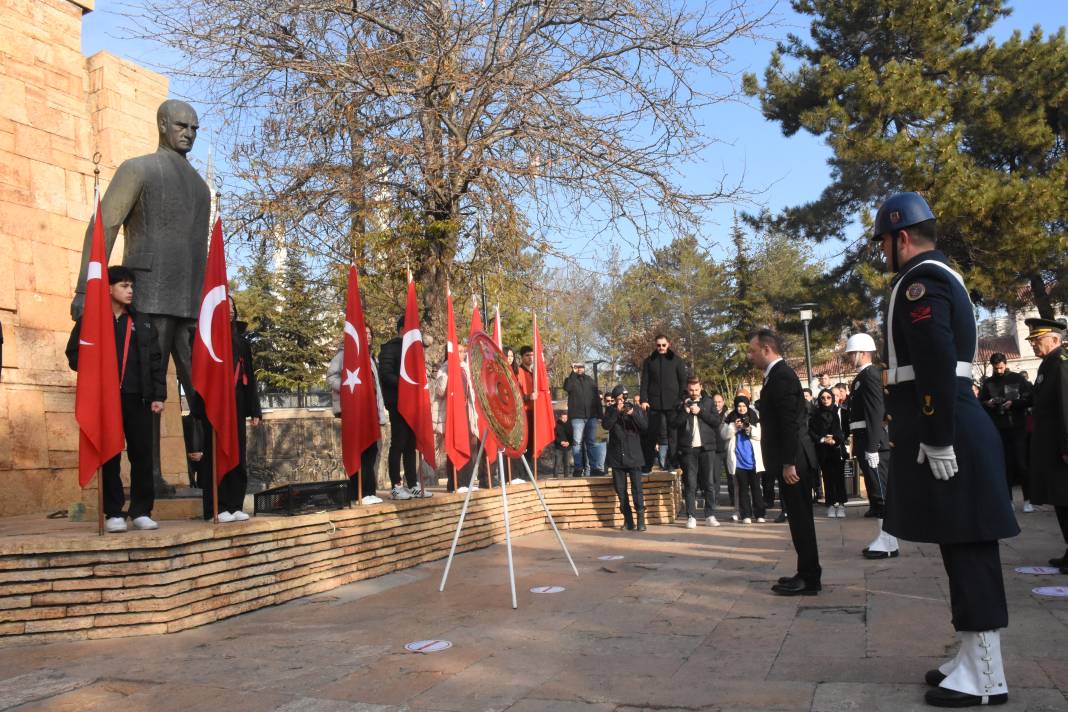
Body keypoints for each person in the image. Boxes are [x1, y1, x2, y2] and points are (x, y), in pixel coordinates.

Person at [874, 192, 1017, 708]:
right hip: (953, 424)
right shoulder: (941, 275)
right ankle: (972, 657)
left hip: (950, 430)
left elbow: (934, 356)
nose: (882, 254)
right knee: (959, 545)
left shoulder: (920, 282)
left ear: (901, 238)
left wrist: (936, 435)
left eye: (883, 244)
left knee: (970, 548)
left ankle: (986, 678)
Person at [71, 101, 211, 493]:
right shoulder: (138, 169)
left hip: (191, 302)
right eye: (182, 125)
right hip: (147, 296)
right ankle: (148, 479)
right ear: (162, 125)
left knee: (203, 389)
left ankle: (217, 475)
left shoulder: (202, 188)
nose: (189, 133)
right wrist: (86, 287)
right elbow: (105, 226)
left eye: (195, 128)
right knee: (147, 392)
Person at [65, 266, 166, 533]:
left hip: (139, 397)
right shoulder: (92, 320)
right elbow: (74, 355)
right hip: (107, 399)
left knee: (142, 455)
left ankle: (142, 510)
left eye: (132, 286)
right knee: (109, 455)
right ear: (108, 288)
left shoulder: (143, 322)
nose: (130, 290)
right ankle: (113, 512)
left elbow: (156, 361)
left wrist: (158, 395)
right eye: (124, 286)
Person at [747, 328, 821, 596]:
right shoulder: (774, 377)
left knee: (801, 520)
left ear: (767, 349)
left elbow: (790, 423)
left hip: (795, 462)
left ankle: (810, 578)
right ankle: (805, 572)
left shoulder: (782, 377)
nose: (750, 356)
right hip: (789, 460)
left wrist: (788, 462)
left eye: (753, 351)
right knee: (797, 520)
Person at [190, 296, 263, 521]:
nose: (230, 310)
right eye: (225, 307)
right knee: (215, 455)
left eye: (232, 307)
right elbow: (199, 376)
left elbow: (248, 376)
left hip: (237, 406)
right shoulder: (206, 340)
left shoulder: (241, 342)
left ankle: (234, 504)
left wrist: (255, 410)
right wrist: (201, 409)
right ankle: (215, 507)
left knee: (238, 455)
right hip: (215, 407)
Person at [844, 333, 897, 559]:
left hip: (871, 441)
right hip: (865, 439)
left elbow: (876, 412)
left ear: (862, 353)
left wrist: (873, 446)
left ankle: (889, 540)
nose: (849, 358)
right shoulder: (862, 377)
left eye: (851, 354)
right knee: (876, 493)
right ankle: (885, 537)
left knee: (881, 493)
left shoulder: (870, 375)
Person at [1023, 318, 1068, 572]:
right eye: (1032, 341)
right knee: (1061, 500)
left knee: (1065, 498)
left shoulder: (1060, 365)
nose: (1033, 345)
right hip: (1050, 446)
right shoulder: (1047, 365)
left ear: (1054, 339)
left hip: (1060, 448)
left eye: (1037, 340)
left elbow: (1065, 408)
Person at [328, 325, 387, 504]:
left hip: (370, 412)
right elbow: (331, 378)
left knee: (371, 449)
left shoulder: (370, 357)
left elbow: (375, 387)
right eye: (365, 333)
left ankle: (369, 491)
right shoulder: (343, 354)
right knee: (359, 450)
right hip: (354, 410)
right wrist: (349, 390)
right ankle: (359, 493)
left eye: (370, 333)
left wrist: (380, 413)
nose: (368, 336)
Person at [378, 315, 430, 500]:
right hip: (397, 403)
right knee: (398, 443)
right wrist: (406, 385)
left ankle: (413, 483)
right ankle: (395, 485)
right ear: (402, 330)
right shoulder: (389, 348)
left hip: (413, 405)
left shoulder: (415, 351)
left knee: (410, 445)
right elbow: (385, 374)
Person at [979, 353, 1034, 511]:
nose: (1000, 371)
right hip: (999, 428)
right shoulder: (988, 383)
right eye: (996, 368)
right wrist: (988, 403)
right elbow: (980, 403)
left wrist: (1014, 403)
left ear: (1005, 363)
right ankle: (1008, 499)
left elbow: (1030, 399)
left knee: (1021, 463)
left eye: (1001, 367)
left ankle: (1028, 500)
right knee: (1005, 465)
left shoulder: (1017, 379)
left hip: (1018, 427)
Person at [675, 377, 723, 528]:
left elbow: (716, 421)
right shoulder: (680, 403)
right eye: (691, 390)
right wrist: (685, 411)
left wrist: (700, 412)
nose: (694, 393)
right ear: (687, 389)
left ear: (700, 387)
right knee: (690, 483)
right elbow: (674, 424)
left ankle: (710, 515)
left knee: (708, 483)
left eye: (696, 390)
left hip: (707, 448)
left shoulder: (708, 402)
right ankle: (691, 516)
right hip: (689, 449)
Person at [639, 334, 689, 470]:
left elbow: (683, 382)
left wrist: (681, 399)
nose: (661, 347)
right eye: (658, 345)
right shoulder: (649, 361)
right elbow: (644, 382)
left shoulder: (677, 361)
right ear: (655, 345)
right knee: (652, 434)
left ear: (669, 344)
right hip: (654, 404)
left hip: (673, 404)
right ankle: (647, 464)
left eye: (663, 345)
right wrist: (643, 400)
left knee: (673, 435)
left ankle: (673, 463)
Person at [602, 385, 648, 531]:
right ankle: (628, 520)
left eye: (624, 398)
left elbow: (644, 426)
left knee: (637, 489)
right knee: (621, 491)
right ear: (615, 399)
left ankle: (641, 519)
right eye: (619, 399)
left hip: (634, 455)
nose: (622, 401)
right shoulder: (611, 410)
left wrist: (632, 413)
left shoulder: (636, 408)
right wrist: (616, 411)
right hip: (617, 457)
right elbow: (606, 426)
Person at [721, 395, 765, 524]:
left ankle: (760, 514)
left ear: (747, 406)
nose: (741, 408)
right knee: (743, 489)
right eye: (739, 406)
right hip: (738, 460)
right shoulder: (730, 418)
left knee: (756, 488)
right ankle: (746, 514)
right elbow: (723, 435)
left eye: (744, 406)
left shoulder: (754, 416)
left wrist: (748, 428)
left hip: (753, 460)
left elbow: (759, 436)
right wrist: (734, 427)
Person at [810, 388, 846, 518]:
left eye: (828, 397)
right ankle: (830, 504)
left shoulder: (840, 411)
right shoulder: (815, 414)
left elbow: (845, 430)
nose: (825, 400)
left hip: (838, 449)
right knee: (828, 478)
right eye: (823, 398)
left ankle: (841, 505)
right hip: (823, 450)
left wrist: (835, 439)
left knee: (839, 478)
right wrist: (823, 439)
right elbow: (812, 431)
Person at [562, 362, 601, 476]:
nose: (579, 369)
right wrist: (572, 373)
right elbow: (567, 388)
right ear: (574, 368)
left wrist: (600, 415)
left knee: (592, 442)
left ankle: (594, 468)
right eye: (577, 367)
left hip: (591, 416)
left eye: (581, 367)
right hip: (577, 417)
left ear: (584, 368)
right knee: (577, 442)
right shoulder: (570, 380)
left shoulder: (590, 380)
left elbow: (597, 399)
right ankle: (578, 468)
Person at [710, 393, 734, 516]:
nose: (717, 404)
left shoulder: (729, 414)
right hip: (714, 450)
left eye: (719, 402)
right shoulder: (709, 414)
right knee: (715, 477)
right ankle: (714, 500)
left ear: (723, 402)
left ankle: (734, 500)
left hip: (728, 448)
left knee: (731, 476)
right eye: (715, 402)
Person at [514, 345, 536, 480]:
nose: (530, 358)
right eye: (527, 355)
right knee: (526, 444)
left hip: (535, 413)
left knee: (533, 443)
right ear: (522, 357)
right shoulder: (519, 372)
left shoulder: (534, 373)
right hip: (525, 413)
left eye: (532, 355)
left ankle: (531, 472)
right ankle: (525, 473)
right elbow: (516, 395)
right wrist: (528, 397)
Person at [552, 412, 572, 476]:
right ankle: (555, 478)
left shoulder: (570, 425)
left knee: (567, 464)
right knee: (557, 464)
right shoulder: (556, 425)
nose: (564, 419)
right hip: (559, 448)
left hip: (567, 447)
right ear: (560, 418)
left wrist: (568, 443)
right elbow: (554, 436)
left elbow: (572, 436)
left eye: (566, 418)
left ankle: (566, 478)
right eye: (563, 418)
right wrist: (560, 442)